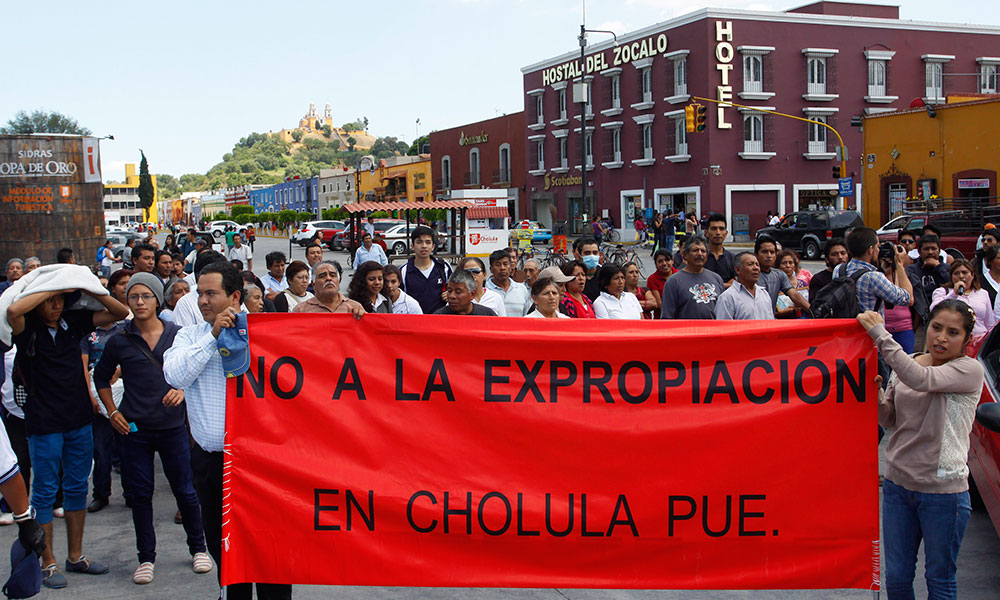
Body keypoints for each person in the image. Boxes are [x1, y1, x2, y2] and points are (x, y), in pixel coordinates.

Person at [163, 262, 292, 600]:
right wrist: (213, 338)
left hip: (262, 464)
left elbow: (316, 344)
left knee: (271, 552)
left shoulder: (265, 332)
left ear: (234, 297)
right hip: (212, 463)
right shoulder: (189, 336)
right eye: (199, 293)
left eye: (211, 293)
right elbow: (176, 376)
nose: (203, 300)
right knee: (225, 550)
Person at [7, 275, 129, 588]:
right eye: (50, 300)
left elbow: (118, 312)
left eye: (61, 299)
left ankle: (75, 557)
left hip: (78, 418)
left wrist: (90, 288)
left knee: (77, 487)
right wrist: (50, 285)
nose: (56, 305)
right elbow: (13, 312)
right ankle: (46, 562)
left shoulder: (72, 322)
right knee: (45, 491)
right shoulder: (27, 329)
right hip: (43, 422)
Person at [858, 302, 983, 600]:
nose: (941, 337)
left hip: (944, 494)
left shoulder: (968, 370)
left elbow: (921, 379)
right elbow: (889, 419)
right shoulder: (909, 362)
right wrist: (875, 396)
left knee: (939, 579)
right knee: (898, 579)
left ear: (966, 340)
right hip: (898, 488)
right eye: (936, 328)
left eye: (953, 332)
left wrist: (879, 333)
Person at [93, 272, 211, 585]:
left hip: (173, 428)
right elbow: (101, 377)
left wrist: (183, 390)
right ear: (127, 301)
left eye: (146, 296)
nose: (140, 302)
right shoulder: (120, 339)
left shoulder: (179, 334)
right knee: (141, 495)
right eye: (134, 296)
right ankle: (146, 557)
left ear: (158, 299)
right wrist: (112, 410)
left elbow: (197, 370)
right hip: (135, 430)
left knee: (186, 491)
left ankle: (198, 548)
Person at [80, 269, 132, 515]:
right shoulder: (87, 333)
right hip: (97, 392)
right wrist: (90, 395)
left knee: (128, 446)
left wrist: (119, 372)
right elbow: (83, 364)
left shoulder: (126, 328)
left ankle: (132, 492)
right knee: (100, 449)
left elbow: (131, 359)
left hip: (124, 392)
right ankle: (101, 494)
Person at [930, 259, 996, 347]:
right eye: (956, 273)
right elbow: (934, 310)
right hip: (954, 341)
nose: (961, 276)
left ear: (972, 275)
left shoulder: (982, 293)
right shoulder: (942, 292)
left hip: (979, 342)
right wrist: (954, 294)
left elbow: (990, 323)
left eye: (965, 273)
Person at [660, 235, 725, 319]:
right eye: (695, 250)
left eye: (703, 251)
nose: (700, 254)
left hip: (713, 331)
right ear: (685, 255)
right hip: (687, 331)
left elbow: (723, 312)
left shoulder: (716, 279)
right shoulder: (673, 282)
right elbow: (667, 316)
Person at [906, 234, 950, 349]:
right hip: (918, 320)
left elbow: (950, 286)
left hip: (943, 318)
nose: (930, 252)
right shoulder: (911, 270)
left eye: (934, 249)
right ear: (919, 252)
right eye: (926, 249)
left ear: (939, 251)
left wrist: (938, 267)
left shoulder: (947, 269)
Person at [400, 226, 452, 314]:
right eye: (419, 242)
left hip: (440, 321)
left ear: (433, 246)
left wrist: (450, 294)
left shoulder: (444, 267)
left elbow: (456, 290)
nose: (424, 246)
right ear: (412, 246)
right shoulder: (404, 271)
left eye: (428, 242)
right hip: (415, 321)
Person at [755, 235, 809, 317]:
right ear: (756, 254)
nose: (769, 255)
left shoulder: (779, 274)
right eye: (764, 252)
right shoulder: (749, 274)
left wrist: (811, 310)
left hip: (770, 321)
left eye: (772, 252)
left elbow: (794, 294)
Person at [715, 252, 775, 320]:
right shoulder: (727, 297)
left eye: (757, 265)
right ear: (738, 270)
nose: (756, 268)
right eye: (750, 264)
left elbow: (770, 323)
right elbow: (724, 327)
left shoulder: (764, 294)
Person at [293, 261, 364, 315]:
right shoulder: (301, 310)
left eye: (332, 275)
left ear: (339, 281)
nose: (328, 278)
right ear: (313, 284)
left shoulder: (354, 307)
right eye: (322, 276)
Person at [485, 249, 531, 317]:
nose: (502, 268)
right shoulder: (485, 290)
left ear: (510, 267)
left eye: (505, 264)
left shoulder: (521, 289)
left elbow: (527, 316)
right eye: (498, 265)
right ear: (491, 269)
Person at [775, 249, 809, 317]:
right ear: (778, 266)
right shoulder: (775, 286)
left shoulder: (803, 284)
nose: (788, 266)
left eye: (790, 263)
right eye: (784, 263)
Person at [703, 213, 735, 288]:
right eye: (714, 229)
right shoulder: (699, 257)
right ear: (706, 233)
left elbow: (736, 281)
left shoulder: (732, 258)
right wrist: (724, 285)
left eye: (721, 229)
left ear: (726, 233)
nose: (718, 233)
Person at [645, 249, 674, 318]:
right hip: (662, 318)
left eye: (667, 260)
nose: (664, 263)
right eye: (660, 261)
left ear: (672, 261)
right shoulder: (652, 279)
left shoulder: (680, 275)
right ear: (656, 264)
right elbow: (659, 304)